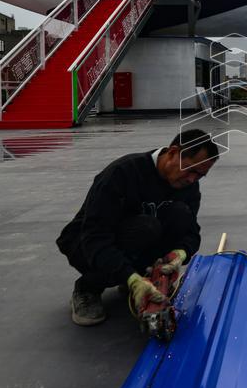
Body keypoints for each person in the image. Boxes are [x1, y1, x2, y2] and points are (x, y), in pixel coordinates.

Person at [56, 129, 219, 326]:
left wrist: (179, 255)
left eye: (201, 175)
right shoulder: (122, 174)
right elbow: (95, 236)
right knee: (146, 227)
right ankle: (88, 288)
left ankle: (140, 277)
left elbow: (191, 231)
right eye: (191, 170)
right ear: (173, 153)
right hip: (85, 244)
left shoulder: (188, 186)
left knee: (180, 214)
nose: (193, 179)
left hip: (133, 240)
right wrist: (132, 278)